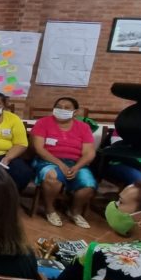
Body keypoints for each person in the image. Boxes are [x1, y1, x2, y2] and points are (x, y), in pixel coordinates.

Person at [30, 97, 97, 229]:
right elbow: (39, 148)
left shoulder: (84, 127)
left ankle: (74, 212)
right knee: (52, 177)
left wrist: (77, 167)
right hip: (48, 160)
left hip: (76, 163)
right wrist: (60, 164)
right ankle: (50, 210)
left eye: (67, 108)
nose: (62, 110)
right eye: (59, 107)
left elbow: (89, 152)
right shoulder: (43, 123)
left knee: (88, 185)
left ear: (75, 112)